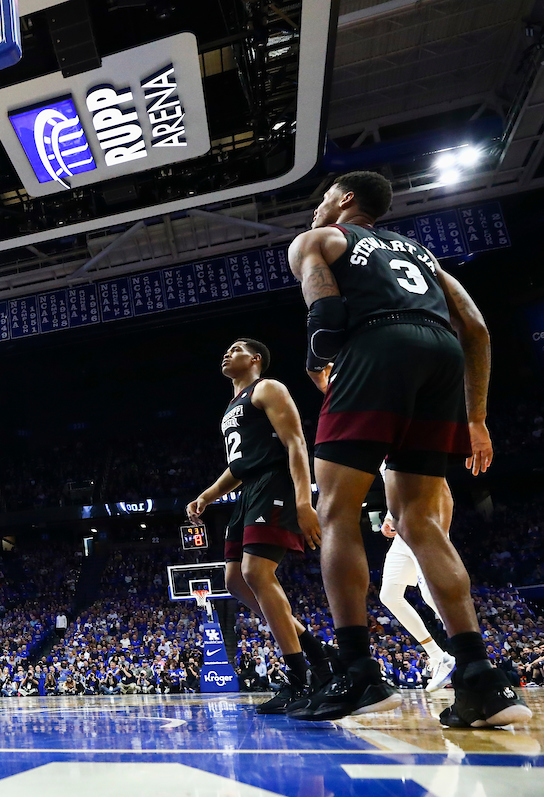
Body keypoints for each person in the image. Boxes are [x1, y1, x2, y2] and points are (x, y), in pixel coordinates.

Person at [286, 170, 531, 727]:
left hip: (379, 346)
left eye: (323, 197)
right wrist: (477, 418)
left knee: (337, 510)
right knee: (421, 521)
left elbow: (323, 313)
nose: (317, 207)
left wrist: (319, 362)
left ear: (345, 200)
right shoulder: (423, 256)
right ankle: (479, 678)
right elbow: (476, 328)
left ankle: (358, 674)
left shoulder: (319, 240)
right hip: (441, 353)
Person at [186, 339, 331, 714]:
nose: (226, 352)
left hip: (274, 483)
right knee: (235, 581)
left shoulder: (267, 387)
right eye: (226, 348)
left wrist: (304, 500)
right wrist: (208, 495)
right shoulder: (231, 408)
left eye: (234, 349)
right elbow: (240, 466)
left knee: (256, 572)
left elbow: (296, 443)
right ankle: (319, 654)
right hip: (249, 489)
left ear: (254, 359)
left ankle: (302, 677)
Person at [377, 463, 456, 692]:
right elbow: (400, 492)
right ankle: (438, 656)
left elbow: (444, 493)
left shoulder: (409, 438)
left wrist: (442, 534)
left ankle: (471, 654)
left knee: (431, 595)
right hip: (402, 533)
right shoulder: (382, 455)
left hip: (426, 529)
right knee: (389, 595)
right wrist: (390, 517)